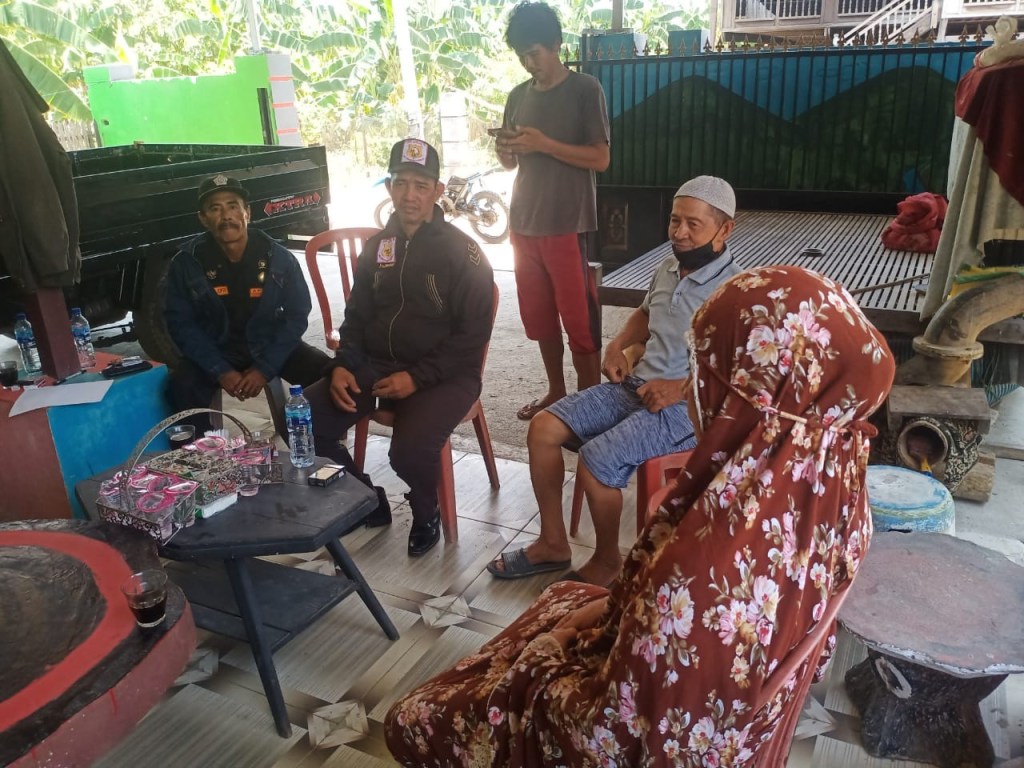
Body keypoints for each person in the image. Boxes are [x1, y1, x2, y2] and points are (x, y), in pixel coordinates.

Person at [385, 265, 896, 766]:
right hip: (735, 717)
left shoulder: (699, 579)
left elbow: (606, 740)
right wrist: (615, 613)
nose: (692, 388)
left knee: (410, 718)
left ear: (742, 401)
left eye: (701, 372)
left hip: (634, 727)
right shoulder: (834, 487)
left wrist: (545, 654)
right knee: (567, 594)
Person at [489, 176, 742, 587]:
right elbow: (645, 313)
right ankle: (552, 543)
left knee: (598, 458)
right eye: (675, 220)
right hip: (634, 387)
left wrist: (680, 387)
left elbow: (740, 369)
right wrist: (617, 345)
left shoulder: (736, 291)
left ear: (724, 229)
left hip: (686, 407)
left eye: (693, 224)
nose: (679, 232)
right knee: (543, 428)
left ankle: (608, 561)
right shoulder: (668, 267)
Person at [304, 138, 494, 558]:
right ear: (389, 186)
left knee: (408, 452)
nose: (410, 195)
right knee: (302, 422)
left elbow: (472, 336)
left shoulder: (463, 252)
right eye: (401, 183)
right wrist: (342, 365)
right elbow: (356, 317)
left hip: (447, 375)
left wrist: (417, 377)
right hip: (377, 365)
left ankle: (426, 510)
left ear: (437, 191)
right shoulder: (378, 247)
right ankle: (364, 499)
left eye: (421, 185)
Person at [495, 1, 610, 422]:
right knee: (539, 318)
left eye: (535, 54)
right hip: (523, 223)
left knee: (579, 320)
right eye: (521, 56)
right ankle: (557, 392)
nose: (529, 64)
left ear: (557, 44)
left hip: (568, 224)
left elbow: (600, 158)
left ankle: (589, 406)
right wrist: (506, 149)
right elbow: (510, 164)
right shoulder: (517, 96)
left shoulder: (585, 90)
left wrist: (544, 143)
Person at [164, 174, 329, 434]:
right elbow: (180, 324)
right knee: (180, 386)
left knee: (327, 373)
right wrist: (220, 370)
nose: (226, 216)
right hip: (216, 349)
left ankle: (321, 444)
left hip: (268, 344)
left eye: (233, 206)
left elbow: (297, 315)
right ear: (203, 218)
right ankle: (201, 453)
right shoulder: (186, 263)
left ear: (247, 213)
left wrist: (265, 368)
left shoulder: (279, 257)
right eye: (215, 209)